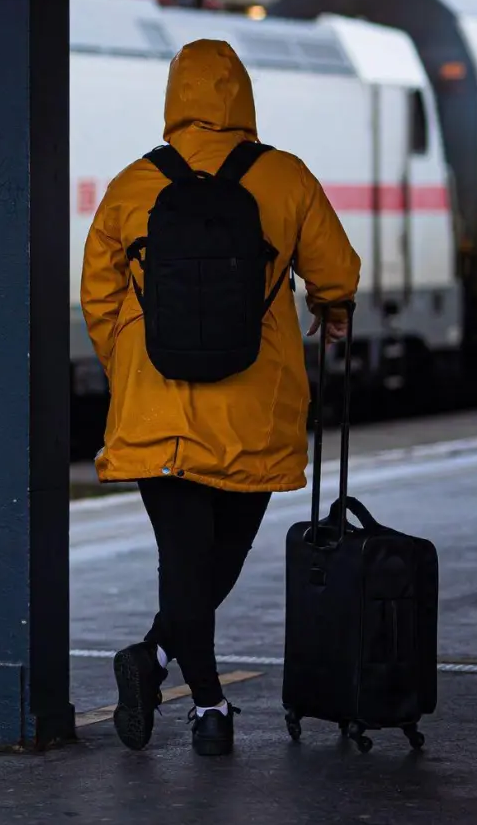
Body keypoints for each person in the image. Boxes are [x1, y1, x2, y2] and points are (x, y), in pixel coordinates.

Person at [79, 38, 361, 757]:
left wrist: (131, 366)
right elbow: (338, 274)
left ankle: (169, 672)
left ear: (174, 100)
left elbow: (98, 294)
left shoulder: (132, 185)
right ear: (244, 98)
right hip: (253, 411)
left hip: (157, 413)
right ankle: (201, 701)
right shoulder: (285, 178)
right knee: (216, 563)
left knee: (183, 561)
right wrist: (330, 310)